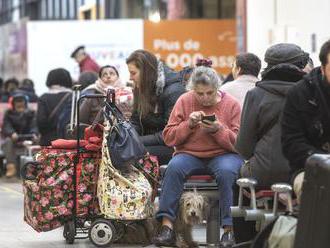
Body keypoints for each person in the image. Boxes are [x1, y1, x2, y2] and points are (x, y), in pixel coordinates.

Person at [152, 63, 243, 247]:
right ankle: (167, 228)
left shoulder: (231, 104)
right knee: (173, 169)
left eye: (209, 93)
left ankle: (228, 230)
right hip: (189, 153)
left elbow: (240, 144)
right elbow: (168, 137)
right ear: (193, 90)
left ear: (217, 88)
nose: (205, 98)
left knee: (227, 173)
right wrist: (188, 125)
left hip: (223, 154)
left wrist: (218, 129)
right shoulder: (184, 101)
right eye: (199, 94)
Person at [234, 43, 308, 243]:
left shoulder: (256, 95)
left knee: (235, 180)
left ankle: (245, 240)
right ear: (301, 64)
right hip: (304, 173)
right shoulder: (312, 93)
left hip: (264, 173)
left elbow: (243, 147)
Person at [281, 40, 330, 203]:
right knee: (309, 187)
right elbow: (291, 143)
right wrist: (324, 159)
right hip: (309, 169)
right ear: (323, 68)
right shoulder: (301, 94)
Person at [126, 49, 186, 165]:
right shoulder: (142, 87)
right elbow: (136, 120)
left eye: (133, 73)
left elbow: (170, 134)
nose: (130, 78)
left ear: (146, 72)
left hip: (173, 148)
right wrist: (127, 135)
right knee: (121, 149)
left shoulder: (173, 91)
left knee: (129, 155)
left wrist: (136, 141)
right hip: (151, 142)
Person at [1, 94, 38, 177]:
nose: (19, 104)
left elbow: (34, 125)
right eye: (17, 102)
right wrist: (11, 133)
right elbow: (6, 126)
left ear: (25, 103)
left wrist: (34, 133)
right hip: (14, 138)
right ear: (13, 104)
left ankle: (34, 167)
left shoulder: (31, 113)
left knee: (39, 141)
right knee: (7, 142)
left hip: (29, 137)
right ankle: (11, 167)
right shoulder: (9, 113)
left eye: (21, 102)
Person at [37, 68, 72, 146]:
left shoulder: (43, 98)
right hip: (68, 141)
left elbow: (41, 121)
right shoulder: (72, 96)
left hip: (48, 141)